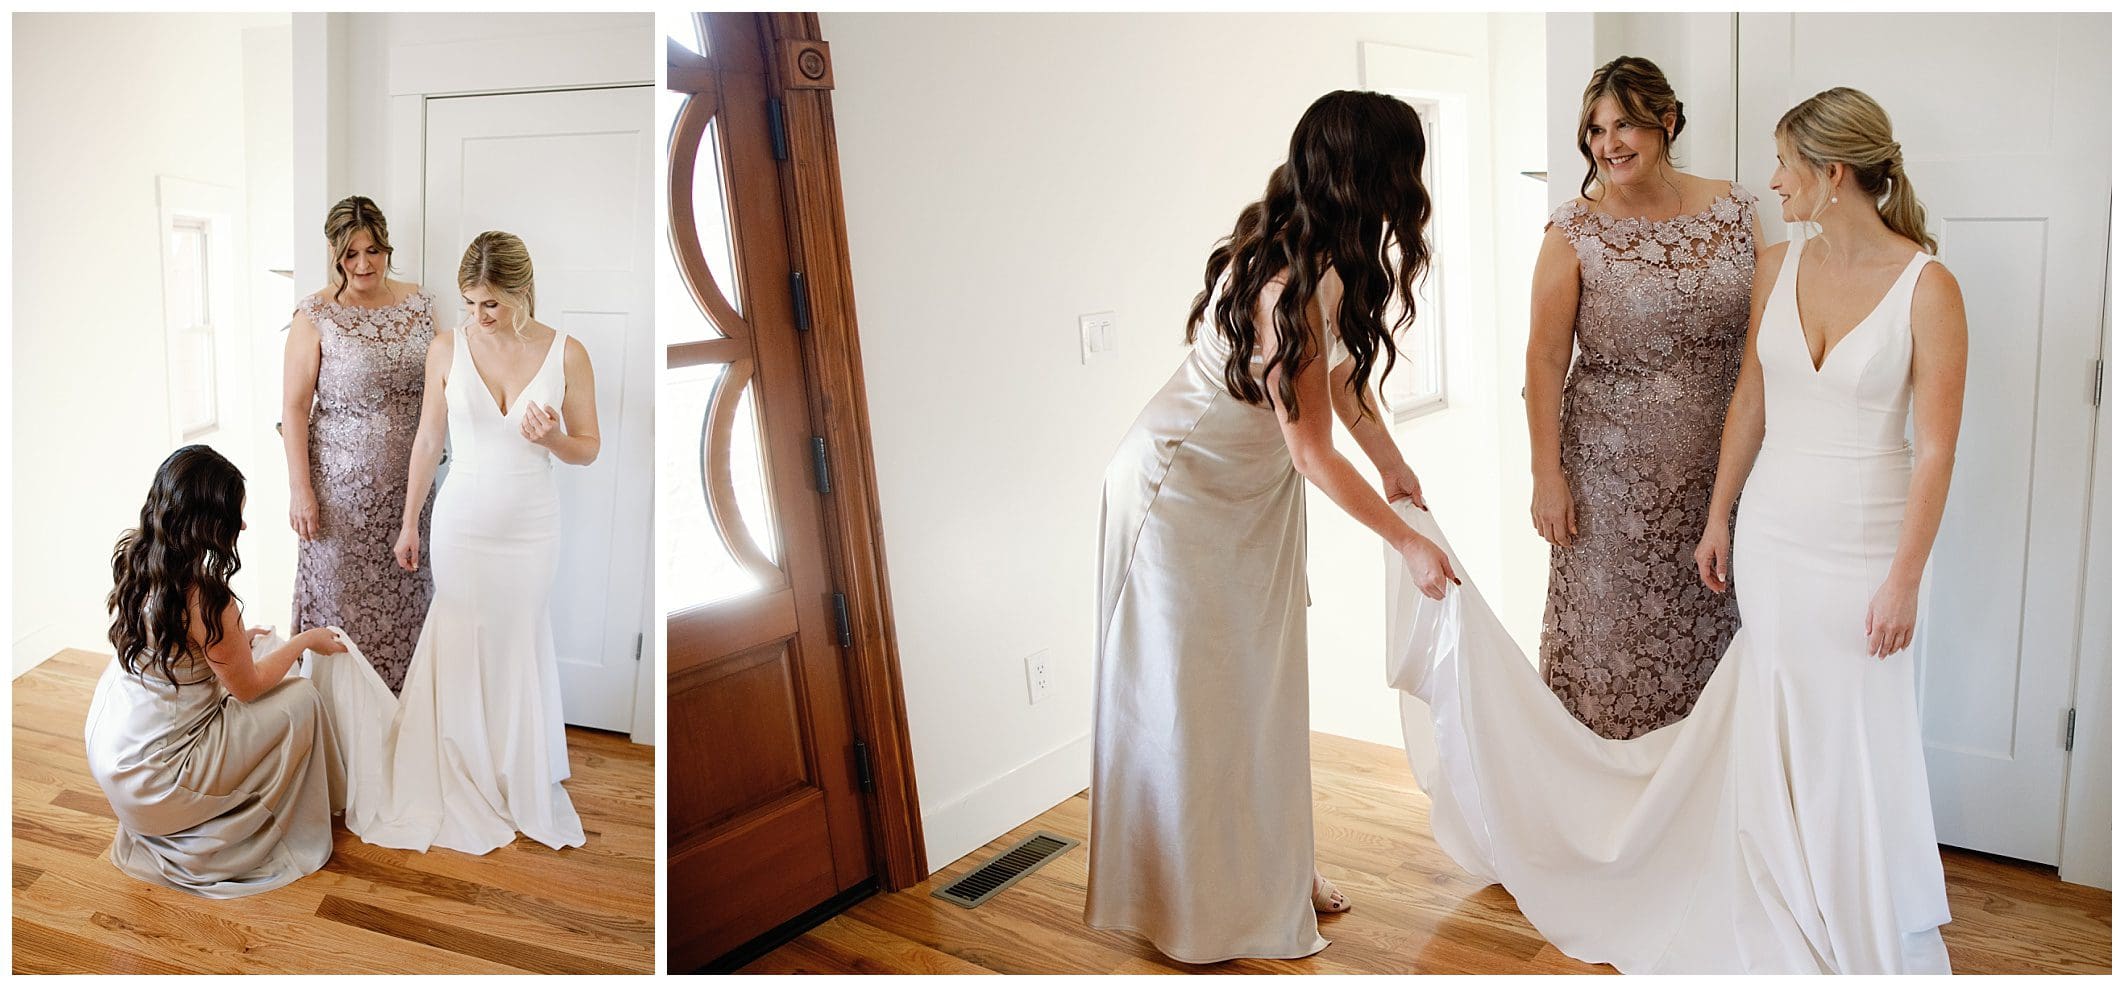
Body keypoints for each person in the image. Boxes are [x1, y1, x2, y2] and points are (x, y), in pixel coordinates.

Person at [1391, 87, 1965, 974]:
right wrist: (1720, 515)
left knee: (1853, 721)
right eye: (1597, 128)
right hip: (1771, 533)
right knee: (1770, 707)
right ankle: (1770, 872)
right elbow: (1750, 396)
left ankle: (1856, 888)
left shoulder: (1929, 288)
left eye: (1787, 164)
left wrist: (1905, 579)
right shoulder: (1778, 267)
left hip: (1863, 545)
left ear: (1834, 173)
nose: (1773, 180)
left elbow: (1934, 455)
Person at [1085, 90, 1458, 964]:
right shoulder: (1283, 278)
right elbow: (1313, 452)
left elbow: (1341, 384)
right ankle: (1199, 903)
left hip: (1245, 497)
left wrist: (1393, 460)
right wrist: (1404, 538)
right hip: (1178, 499)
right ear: (1370, 177)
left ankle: (1278, 871)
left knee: (1262, 688)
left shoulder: (1327, 254)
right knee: (1198, 706)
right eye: (1405, 166)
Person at [310, 231, 600, 854]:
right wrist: (410, 521)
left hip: (531, 525)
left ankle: (512, 771)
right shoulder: (446, 348)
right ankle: (457, 768)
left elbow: (589, 447)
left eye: (490, 304)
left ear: (521, 292)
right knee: (462, 637)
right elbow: (426, 441)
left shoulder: (567, 354)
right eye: (470, 303)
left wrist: (552, 439)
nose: (477, 317)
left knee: (516, 638)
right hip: (462, 522)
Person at [1527, 56, 1762, 739]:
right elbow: (1543, 358)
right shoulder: (1574, 229)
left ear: (1666, 122)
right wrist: (1547, 474)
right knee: (1610, 655)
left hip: (1719, 481)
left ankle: (1698, 818)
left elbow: (1762, 347)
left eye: (1624, 123)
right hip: (1607, 495)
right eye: (1596, 130)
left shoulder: (1738, 209)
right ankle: (1603, 825)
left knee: (1712, 651)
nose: (1609, 144)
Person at [84, 445, 351, 897]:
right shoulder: (209, 599)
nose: (242, 526)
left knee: (262, 648)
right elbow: (248, 689)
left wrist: (236, 646)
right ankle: (291, 816)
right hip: (156, 780)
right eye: (234, 517)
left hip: (113, 752)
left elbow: (178, 651)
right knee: (301, 697)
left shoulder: (136, 554)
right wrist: (306, 640)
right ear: (208, 521)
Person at [284, 195, 436, 693]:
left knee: (407, 607)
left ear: (387, 248)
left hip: (410, 497)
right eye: (351, 254)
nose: (364, 264)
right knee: (340, 611)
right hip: (339, 504)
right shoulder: (315, 314)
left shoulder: (422, 304)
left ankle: (405, 726)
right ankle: (336, 730)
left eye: (373, 251)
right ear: (335, 255)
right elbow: (292, 410)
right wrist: (300, 491)